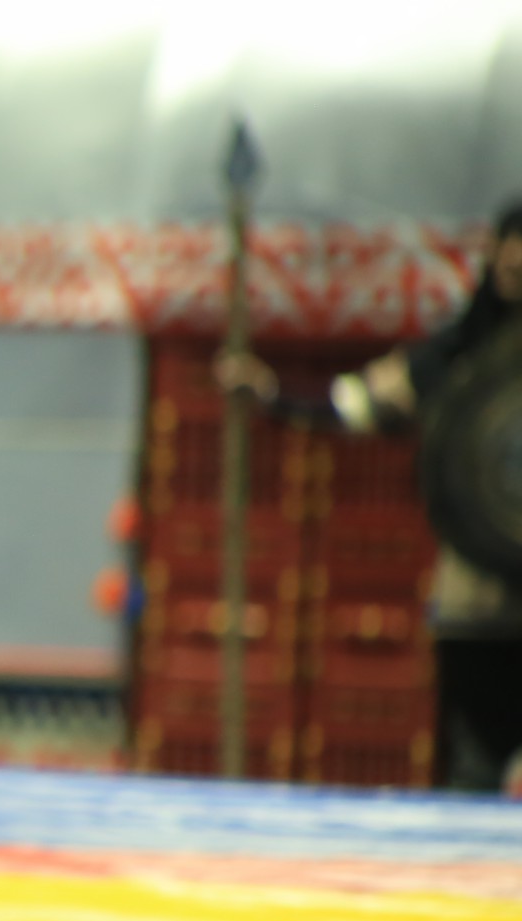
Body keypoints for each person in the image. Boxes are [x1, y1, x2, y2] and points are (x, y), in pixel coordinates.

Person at [220, 204, 522, 792]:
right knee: (474, 769)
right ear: (493, 259)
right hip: (477, 603)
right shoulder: (458, 353)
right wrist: (273, 394)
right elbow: (358, 405)